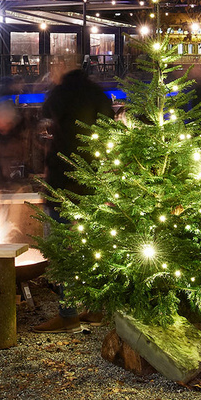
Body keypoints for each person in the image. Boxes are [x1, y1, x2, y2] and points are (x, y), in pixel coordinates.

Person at [33, 66, 115, 333]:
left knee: (62, 249)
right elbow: (110, 131)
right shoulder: (98, 94)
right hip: (94, 180)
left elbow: (46, 128)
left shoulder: (59, 94)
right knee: (94, 246)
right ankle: (98, 307)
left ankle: (68, 315)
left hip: (64, 180)